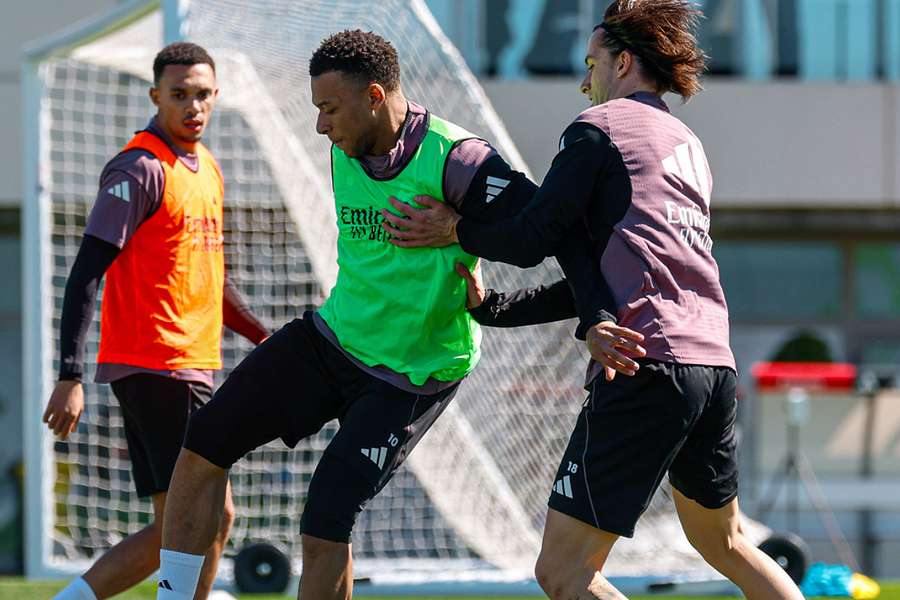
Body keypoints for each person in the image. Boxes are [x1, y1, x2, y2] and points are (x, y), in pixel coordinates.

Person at [152, 29, 606, 600]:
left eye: (330, 109)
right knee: (203, 445)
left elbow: (547, 233)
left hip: (411, 375)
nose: (321, 125)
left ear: (374, 97)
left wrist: (462, 230)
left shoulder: (458, 160)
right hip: (335, 337)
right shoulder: (347, 141)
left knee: (325, 521)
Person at [379, 1, 806, 599]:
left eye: (592, 64)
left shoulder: (598, 130)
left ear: (624, 62)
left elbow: (533, 236)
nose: (585, 82)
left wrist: (456, 230)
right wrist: (496, 308)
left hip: (644, 361)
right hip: (712, 365)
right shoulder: (686, 144)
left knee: (563, 573)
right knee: (726, 542)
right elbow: (613, 274)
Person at [44, 42, 269, 600]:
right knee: (207, 514)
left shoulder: (207, 168)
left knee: (186, 520)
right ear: (155, 97)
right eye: (179, 95)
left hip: (188, 365)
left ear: (215, 97)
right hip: (158, 365)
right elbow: (85, 273)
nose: (193, 106)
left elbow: (211, 280)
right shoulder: (139, 168)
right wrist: (70, 374)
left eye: (202, 95)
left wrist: (266, 337)